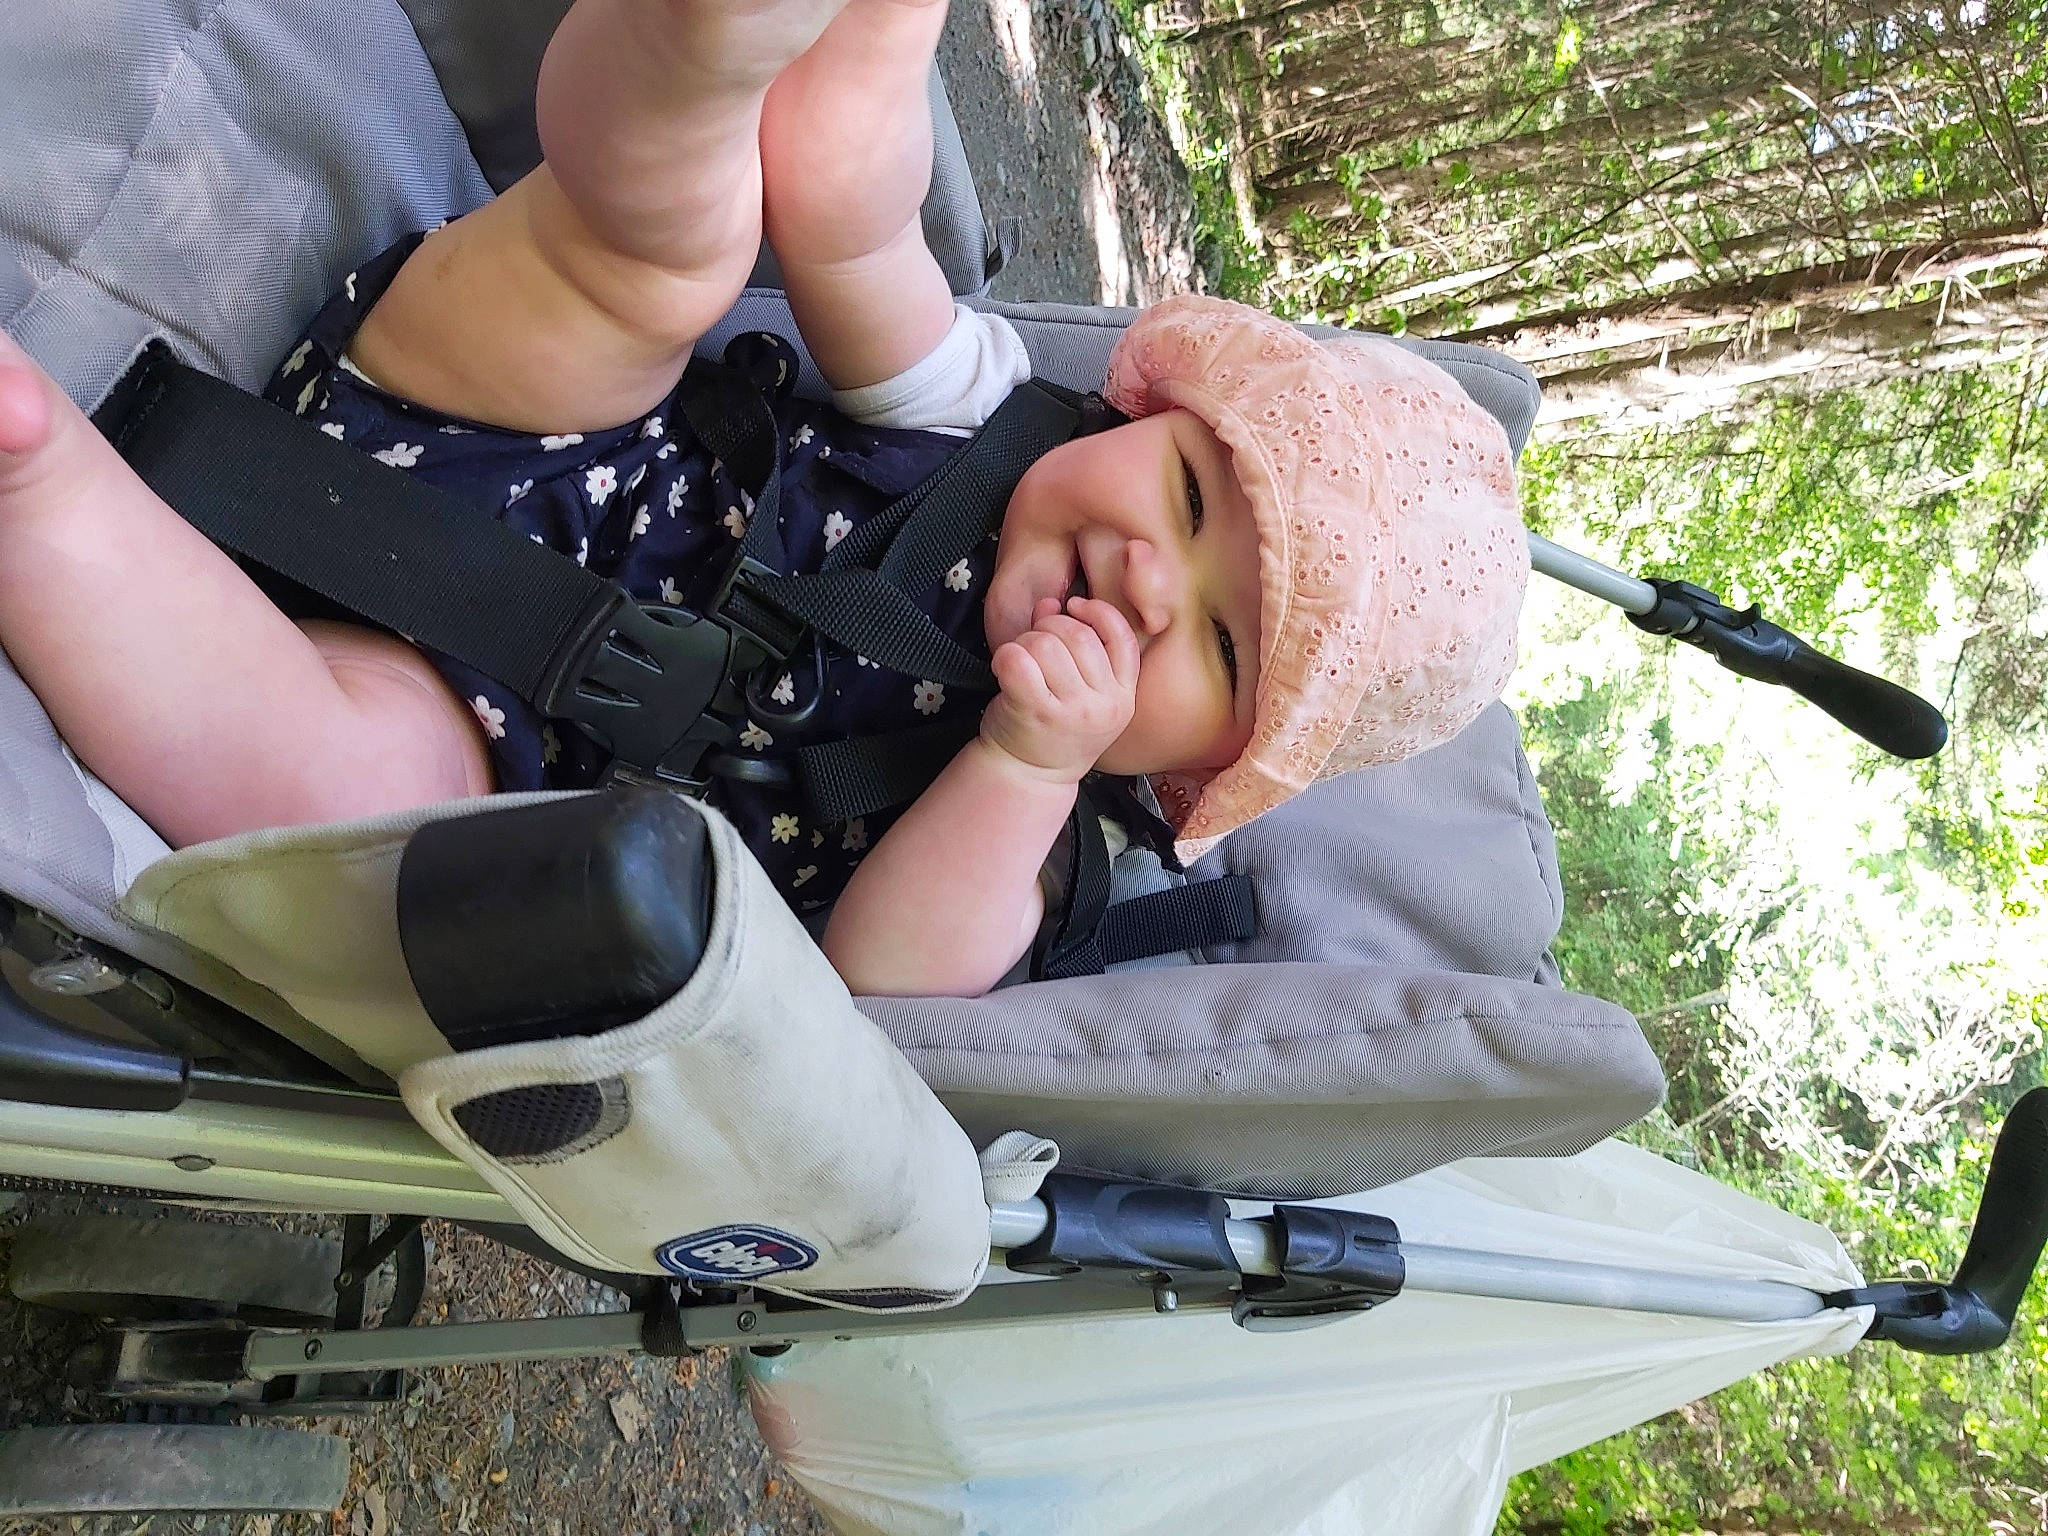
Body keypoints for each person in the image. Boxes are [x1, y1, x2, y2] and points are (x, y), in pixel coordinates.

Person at [0, 0, 1528, 1000]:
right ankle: (695, 40)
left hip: (474, 738)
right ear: (1146, 408)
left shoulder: (1042, 848)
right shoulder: (987, 423)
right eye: (1193, 498)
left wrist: (1016, 764)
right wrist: (875, 42)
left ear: (1210, 763)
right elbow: (853, 220)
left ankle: (45, 487)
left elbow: (887, 981)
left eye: (1218, 642)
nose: (1149, 575)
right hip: (493, 426)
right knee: (656, 259)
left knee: (349, 809)